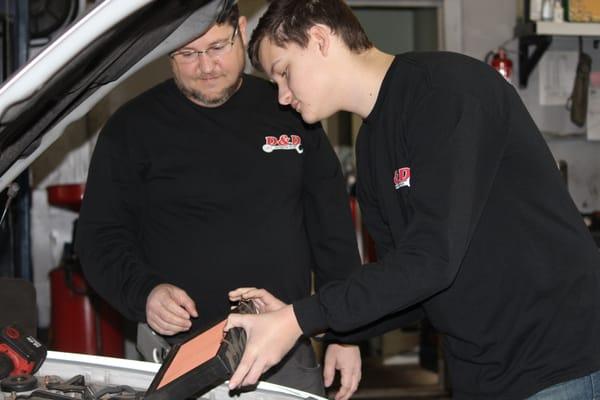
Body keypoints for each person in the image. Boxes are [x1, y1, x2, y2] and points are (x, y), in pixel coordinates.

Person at [225, 0, 600, 398]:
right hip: (482, 371)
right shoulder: (370, 147)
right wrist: (309, 319)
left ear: (319, 39)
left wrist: (301, 318)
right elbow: (409, 288)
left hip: (557, 360)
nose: (282, 96)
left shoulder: (446, 91)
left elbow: (432, 259)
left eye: (284, 72)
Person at [75, 4, 363, 399]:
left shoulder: (292, 109)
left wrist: (346, 333)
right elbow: (99, 237)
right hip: (175, 353)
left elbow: (333, 233)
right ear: (166, 52)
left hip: (282, 346)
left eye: (217, 47)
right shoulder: (131, 129)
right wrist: (144, 293)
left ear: (241, 31)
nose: (206, 66)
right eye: (188, 53)